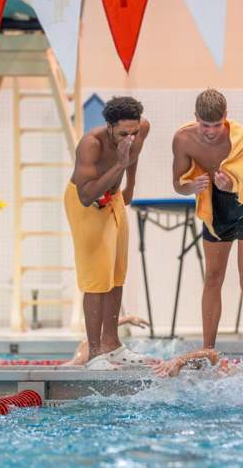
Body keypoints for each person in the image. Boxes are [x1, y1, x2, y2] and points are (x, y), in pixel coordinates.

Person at [172, 89, 243, 370]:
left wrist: (233, 186)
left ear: (225, 119)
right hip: (215, 206)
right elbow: (178, 184)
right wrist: (189, 187)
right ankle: (209, 351)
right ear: (196, 119)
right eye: (205, 125)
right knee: (213, 277)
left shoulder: (242, 140)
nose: (210, 132)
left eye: (217, 125)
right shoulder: (183, 139)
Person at [64, 96, 152, 370]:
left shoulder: (142, 128)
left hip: (113, 197)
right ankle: (94, 354)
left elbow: (133, 155)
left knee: (116, 273)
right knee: (95, 279)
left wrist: (131, 186)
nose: (130, 137)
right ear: (110, 127)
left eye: (134, 132)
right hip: (86, 204)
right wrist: (119, 165)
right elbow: (86, 195)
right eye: (123, 133)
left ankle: (112, 346)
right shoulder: (91, 144)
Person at [65, 316, 151, 366]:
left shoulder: (85, 353)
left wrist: (128, 319)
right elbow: (97, 333)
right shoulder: (81, 358)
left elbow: (98, 332)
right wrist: (127, 319)